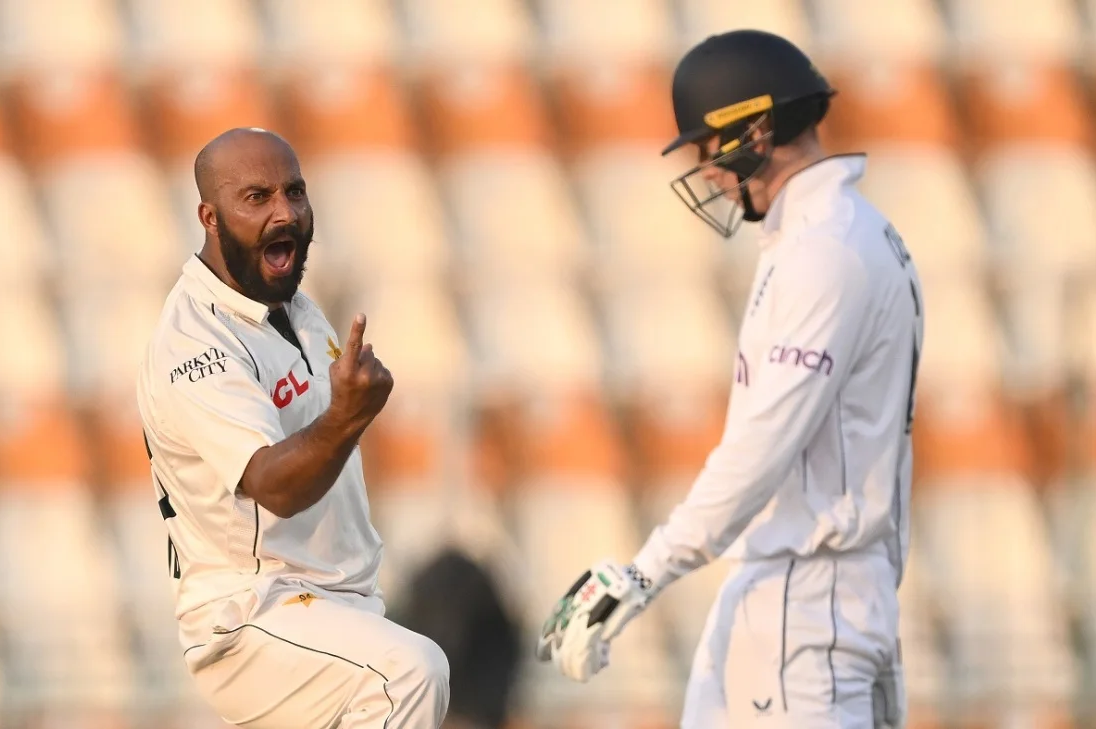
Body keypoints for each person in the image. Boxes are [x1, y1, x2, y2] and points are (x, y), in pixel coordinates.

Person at [536, 30, 924, 729]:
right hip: (789, 595)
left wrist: (643, 573)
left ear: (755, 129)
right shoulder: (838, 234)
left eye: (708, 148)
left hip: (806, 605)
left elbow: (760, 450)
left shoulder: (824, 252)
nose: (706, 171)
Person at [136, 127, 449, 729]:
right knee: (409, 673)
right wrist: (347, 416)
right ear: (209, 215)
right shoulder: (194, 343)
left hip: (338, 608)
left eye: (295, 192)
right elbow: (273, 486)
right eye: (256, 197)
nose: (285, 212)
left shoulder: (292, 304)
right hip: (253, 616)